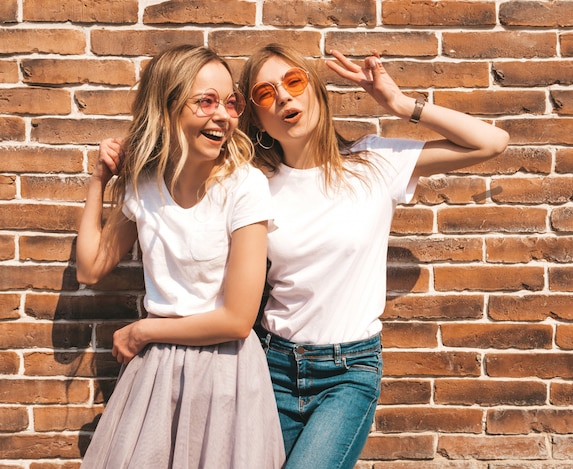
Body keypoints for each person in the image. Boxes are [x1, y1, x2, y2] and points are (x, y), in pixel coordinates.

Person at [235, 43, 510, 469]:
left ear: (317, 93)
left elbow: (491, 142)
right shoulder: (254, 184)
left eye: (293, 81)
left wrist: (401, 104)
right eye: (265, 93)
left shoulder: (373, 161)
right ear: (258, 119)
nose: (284, 97)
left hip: (348, 373)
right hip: (271, 365)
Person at [76, 45, 285, 468]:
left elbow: (238, 319)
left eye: (231, 103)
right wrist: (100, 180)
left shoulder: (244, 186)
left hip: (225, 369)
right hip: (155, 376)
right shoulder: (144, 186)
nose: (223, 116)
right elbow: (91, 267)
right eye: (206, 101)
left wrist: (142, 333)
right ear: (168, 107)